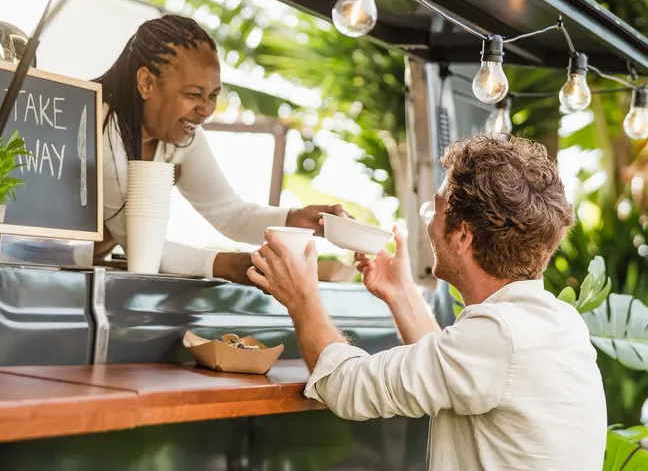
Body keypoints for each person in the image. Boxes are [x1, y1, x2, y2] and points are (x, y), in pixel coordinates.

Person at [249, 133, 607, 470]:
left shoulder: (500, 336)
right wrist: (401, 293)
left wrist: (302, 297)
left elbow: (344, 387)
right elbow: (455, 371)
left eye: (434, 211)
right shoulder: (557, 322)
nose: (430, 226)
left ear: (463, 236)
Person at [93, 15, 344, 284]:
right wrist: (237, 265)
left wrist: (294, 220)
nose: (206, 110)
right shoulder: (97, 128)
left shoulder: (183, 136)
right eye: (192, 94)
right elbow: (143, 248)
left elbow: (229, 214)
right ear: (146, 82)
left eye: (213, 96)